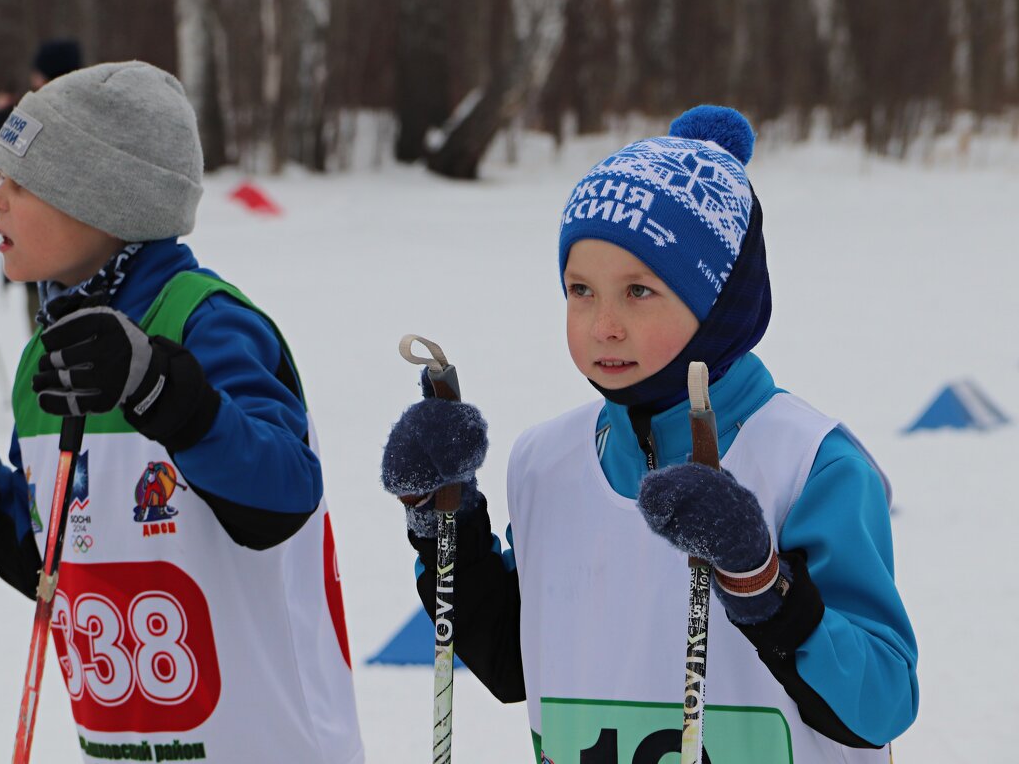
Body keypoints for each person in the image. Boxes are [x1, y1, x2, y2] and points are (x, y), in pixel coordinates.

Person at [381, 106, 918, 762]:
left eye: (639, 291)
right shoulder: (547, 462)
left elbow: (883, 703)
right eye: (581, 290)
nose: (604, 324)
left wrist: (765, 586)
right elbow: (515, 658)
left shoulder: (808, 463)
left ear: (719, 301)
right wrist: (445, 521)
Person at [0, 62, 363, 763]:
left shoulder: (207, 321)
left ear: (102, 201)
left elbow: (284, 494)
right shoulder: (50, 356)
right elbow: (49, 558)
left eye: (21, 182)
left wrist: (162, 391)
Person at [0, 38, 83, 330]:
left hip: (43, 241)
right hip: (76, 249)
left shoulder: (40, 113)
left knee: (45, 329)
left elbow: (1, 153)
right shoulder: (90, 112)